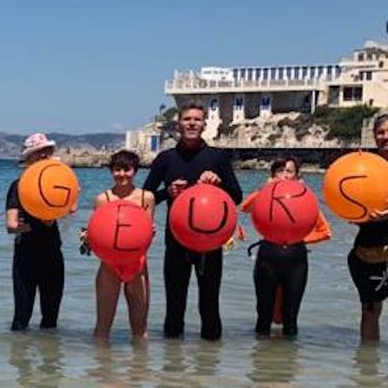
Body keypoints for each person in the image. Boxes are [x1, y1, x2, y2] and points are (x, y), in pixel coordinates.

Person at [143, 103, 242, 340]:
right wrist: (168, 192)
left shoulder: (217, 157)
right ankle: (172, 368)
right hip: (175, 240)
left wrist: (219, 184)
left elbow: (237, 197)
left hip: (210, 242)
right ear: (178, 124)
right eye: (187, 119)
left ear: (204, 124)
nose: (191, 123)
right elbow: (144, 197)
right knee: (174, 307)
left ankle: (208, 369)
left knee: (210, 305)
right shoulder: (166, 158)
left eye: (197, 119)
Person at [243, 156, 330, 338]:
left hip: (295, 259)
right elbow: (246, 207)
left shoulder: (305, 199)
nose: (284, 176)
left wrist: (297, 239)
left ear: (297, 177)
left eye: (289, 171)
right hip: (268, 255)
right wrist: (265, 189)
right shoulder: (265, 194)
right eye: (279, 171)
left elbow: (325, 232)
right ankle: (262, 362)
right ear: (272, 175)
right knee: (263, 316)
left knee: (290, 317)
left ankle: (289, 363)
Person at [90, 148, 155, 340]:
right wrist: (87, 237)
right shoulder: (103, 199)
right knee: (102, 326)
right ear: (111, 171)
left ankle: (140, 368)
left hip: (137, 265)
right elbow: (97, 232)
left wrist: (150, 234)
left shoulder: (146, 197)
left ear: (135, 171)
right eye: (117, 170)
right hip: (109, 266)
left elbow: (147, 234)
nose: (122, 175)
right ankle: (102, 367)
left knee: (140, 327)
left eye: (127, 170)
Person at [6, 133, 65, 331]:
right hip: (26, 257)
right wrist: (35, 224)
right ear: (29, 157)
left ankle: (50, 359)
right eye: (39, 153)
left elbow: (71, 208)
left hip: (53, 254)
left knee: (51, 320)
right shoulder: (18, 186)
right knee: (21, 319)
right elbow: (11, 226)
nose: (44, 156)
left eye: (47, 152)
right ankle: (19, 359)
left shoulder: (56, 183)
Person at [347, 113, 388, 342]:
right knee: (370, 309)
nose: (385, 137)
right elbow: (352, 199)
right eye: (380, 132)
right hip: (370, 247)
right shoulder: (366, 167)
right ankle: (368, 372)